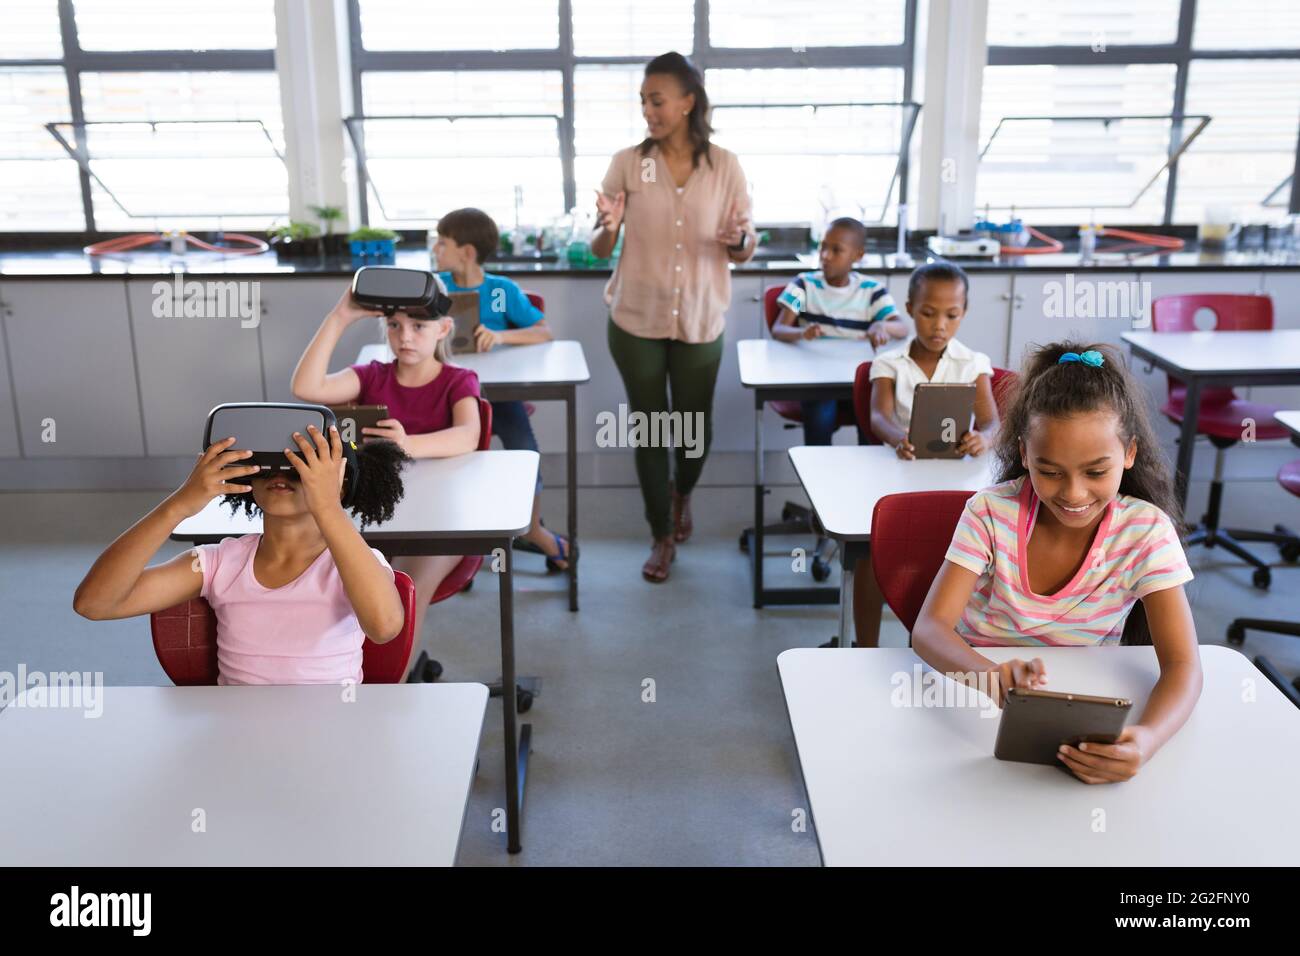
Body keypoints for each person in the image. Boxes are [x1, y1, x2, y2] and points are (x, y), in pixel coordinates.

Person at [911, 342, 1202, 783]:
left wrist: (1147, 739)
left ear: (1129, 453)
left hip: (1087, 707)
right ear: (1024, 454)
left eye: (1096, 472)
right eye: (1049, 471)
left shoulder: (1145, 532)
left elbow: (1183, 665)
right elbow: (929, 629)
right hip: (972, 699)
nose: (1073, 493)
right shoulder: (990, 513)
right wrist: (990, 677)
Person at [73, 424, 409, 685]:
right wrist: (179, 505)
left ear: (341, 482)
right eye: (267, 463)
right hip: (236, 737)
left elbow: (384, 627)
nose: (279, 474)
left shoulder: (354, 564)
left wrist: (328, 506)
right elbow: (95, 604)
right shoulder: (221, 563)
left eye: (299, 464)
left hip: (329, 734)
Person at [593, 51, 756, 582]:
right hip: (635, 318)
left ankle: (681, 492)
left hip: (702, 318)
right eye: (643, 100)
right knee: (649, 429)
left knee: (693, 429)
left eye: (657, 99)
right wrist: (610, 226)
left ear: (688, 102)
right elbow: (599, 247)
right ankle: (661, 535)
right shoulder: (629, 162)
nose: (648, 110)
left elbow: (744, 242)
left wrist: (741, 241)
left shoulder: (724, 164)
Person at [435, 206, 574, 570]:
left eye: (442, 243)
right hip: (448, 399)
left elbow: (544, 331)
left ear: (466, 252)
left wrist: (500, 335)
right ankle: (458, 534)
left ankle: (532, 529)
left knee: (526, 451)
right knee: (452, 462)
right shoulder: (435, 289)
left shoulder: (502, 290)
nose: (436, 249)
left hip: (500, 398)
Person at [771, 215, 907, 444]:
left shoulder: (872, 291)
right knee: (820, 414)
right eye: (823, 247)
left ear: (858, 255)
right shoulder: (803, 285)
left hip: (858, 382)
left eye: (836, 250)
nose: (825, 256)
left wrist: (881, 325)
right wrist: (801, 334)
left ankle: (867, 477)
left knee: (872, 423)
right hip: (818, 381)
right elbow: (780, 328)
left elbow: (902, 327)